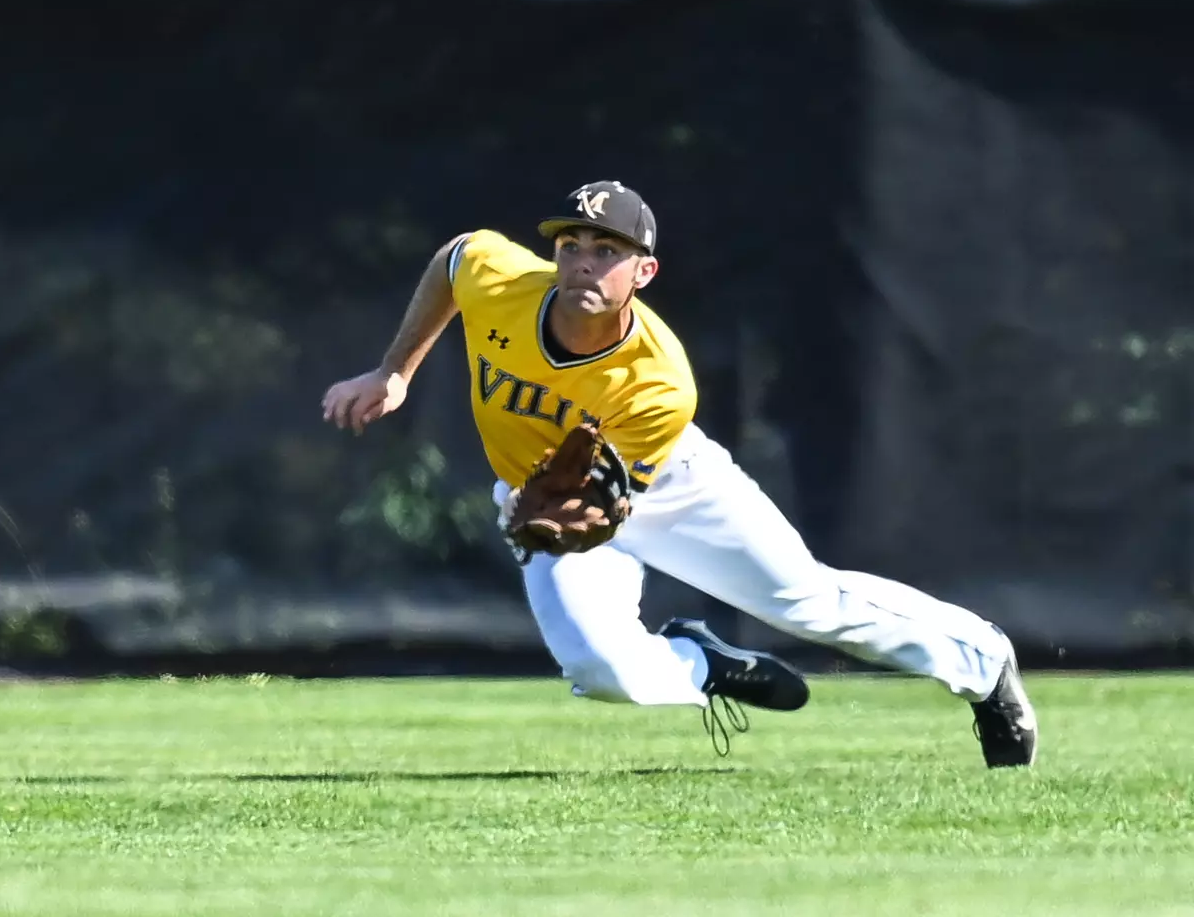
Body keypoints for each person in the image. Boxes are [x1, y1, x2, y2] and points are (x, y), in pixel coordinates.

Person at [321, 181, 1038, 767]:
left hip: (670, 488)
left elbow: (604, 503)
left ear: (643, 272)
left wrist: (563, 515)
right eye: (571, 246)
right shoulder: (500, 282)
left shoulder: (658, 381)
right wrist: (394, 371)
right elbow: (455, 258)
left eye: (607, 250)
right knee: (600, 670)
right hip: (544, 498)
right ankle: (704, 662)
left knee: (810, 605)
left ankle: (981, 659)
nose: (583, 263)